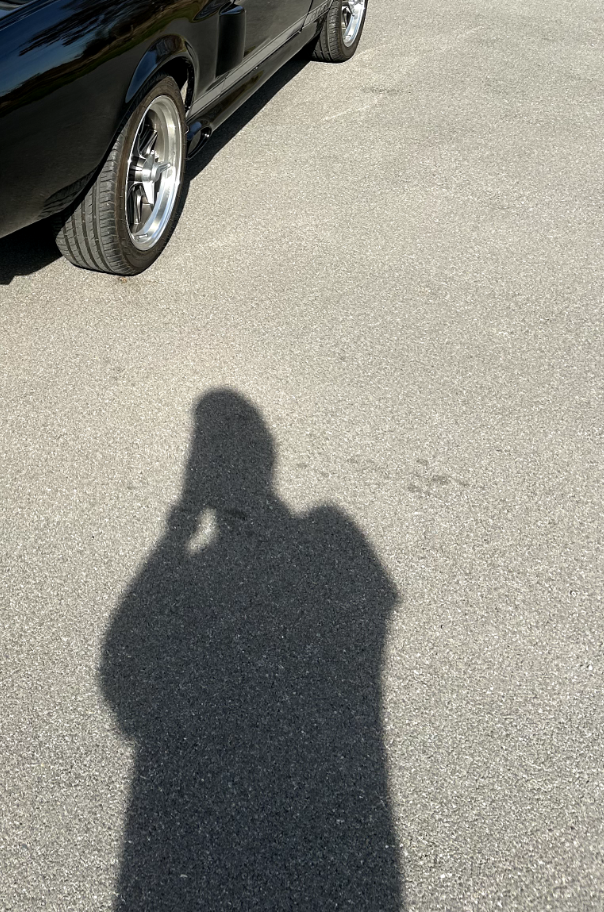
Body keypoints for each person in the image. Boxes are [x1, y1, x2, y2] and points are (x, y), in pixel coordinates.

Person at [101, 390, 402, 911]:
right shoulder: (333, 534)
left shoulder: (327, 536)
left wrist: (177, 533)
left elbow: (123, 667)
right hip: (340, 789)